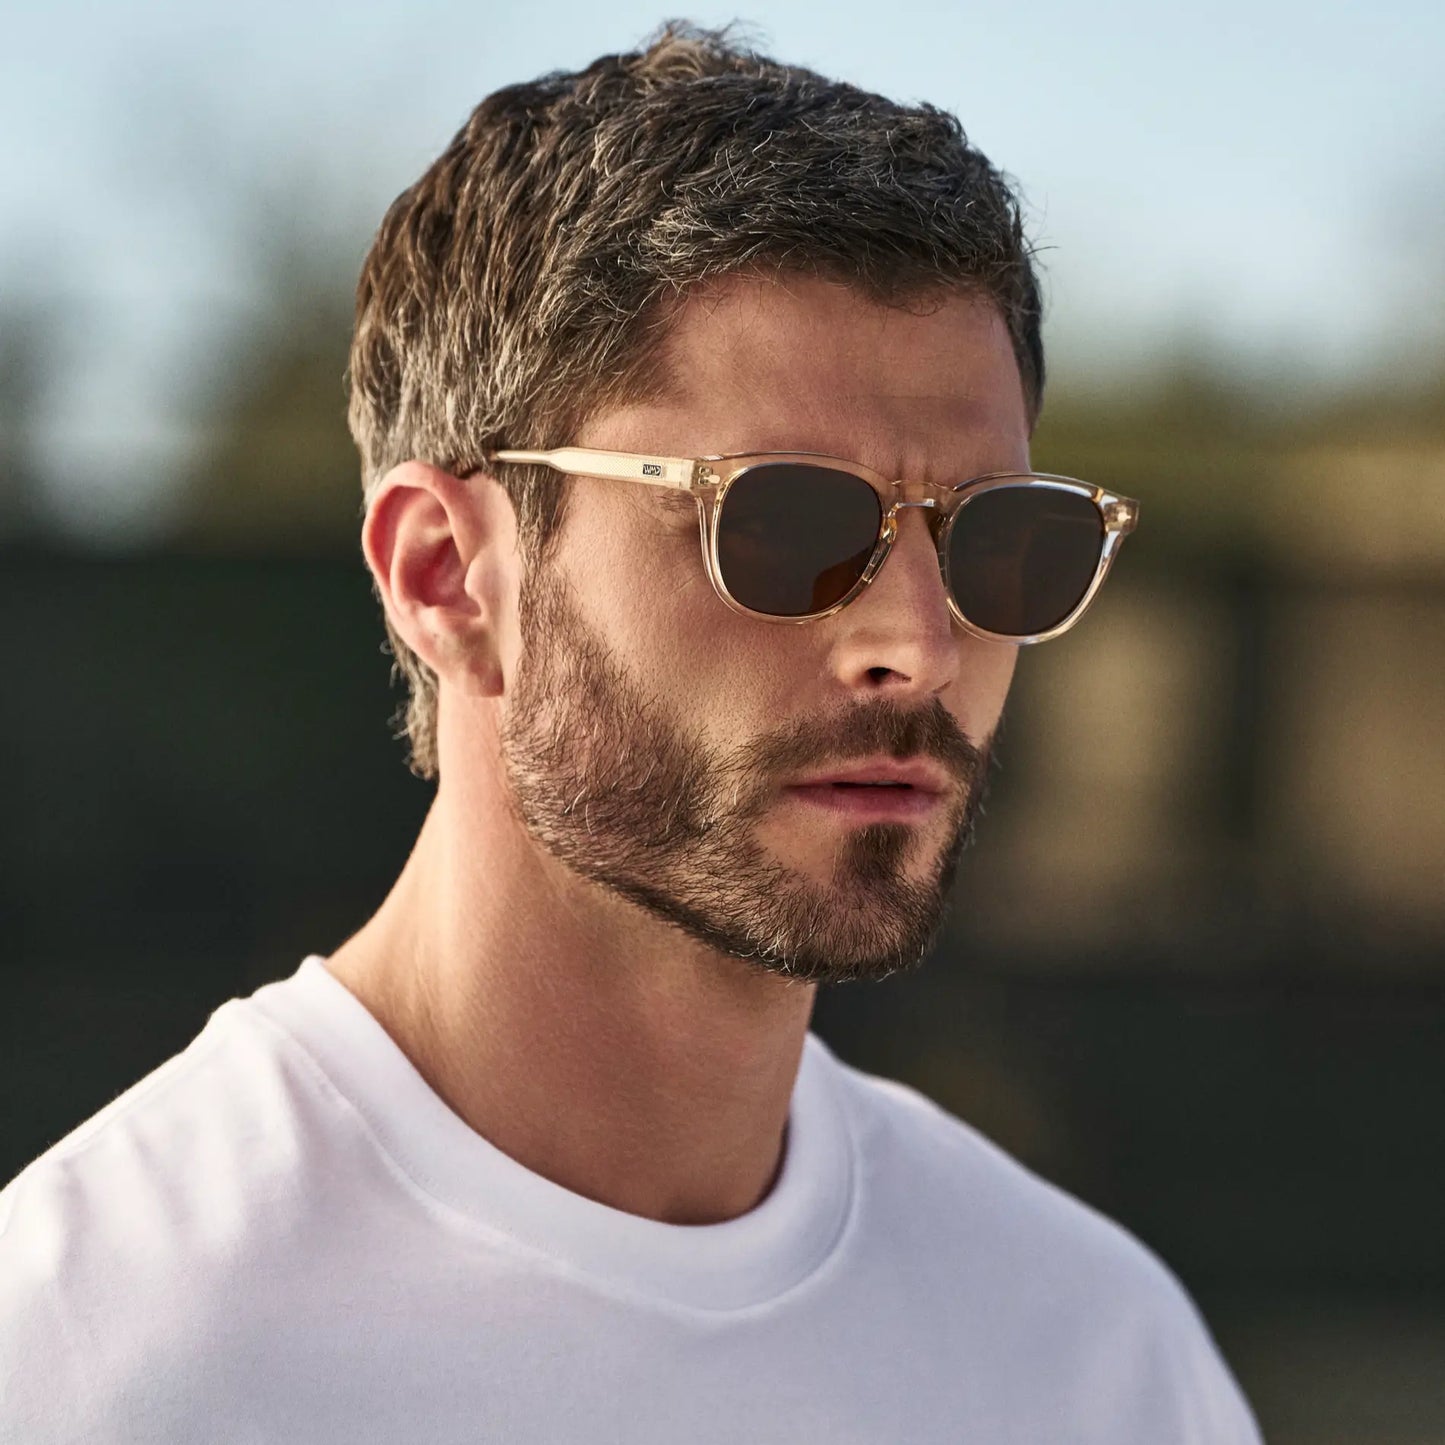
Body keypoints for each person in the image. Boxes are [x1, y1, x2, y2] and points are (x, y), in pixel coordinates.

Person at [0, 25, 1262, 1444]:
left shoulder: (1094, 1355)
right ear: (446, 577)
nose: (917, 640)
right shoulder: (91, 1354)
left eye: (1001, 539)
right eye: (783, 523)